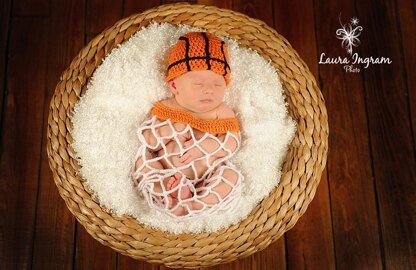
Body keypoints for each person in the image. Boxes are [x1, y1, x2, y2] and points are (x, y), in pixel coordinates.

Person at [132, 31, 243, 218]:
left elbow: (231, 143)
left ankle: (195, 203)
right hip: (165, 169)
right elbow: (150, 142)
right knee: (142, 161)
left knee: (231, 176)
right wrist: (171, 129)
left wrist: (204, 148)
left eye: (218, 84)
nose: (208, 90)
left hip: (206, 175)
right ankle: (170, 192)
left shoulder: (221, 111)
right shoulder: (168, 107)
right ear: (174, 86)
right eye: (198, 84)